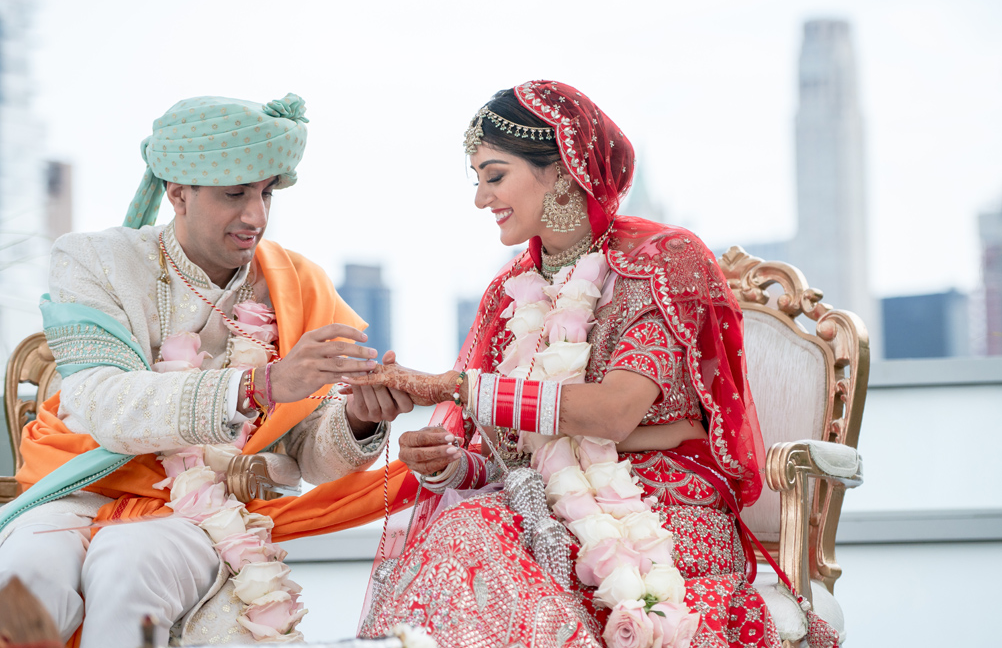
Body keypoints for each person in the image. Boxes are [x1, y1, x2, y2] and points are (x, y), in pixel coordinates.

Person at [353, 81, 788, 647]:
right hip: (540, 504)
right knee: (466, 529)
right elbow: (514, 457)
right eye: (478, 180)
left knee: (474, 536)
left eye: (494, 175)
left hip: (660, 512)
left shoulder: (660, 265)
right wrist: (450, 467)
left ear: (560, 169)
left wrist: (458, 386)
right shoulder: (508, 294)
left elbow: (611, 414)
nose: (481, 200)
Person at [0, 93, 418, 647]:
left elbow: (306, 455)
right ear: (178, 193)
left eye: (267, 193)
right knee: (25, 579)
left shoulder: (297, 285)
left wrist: (361, 422)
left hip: (204, 510)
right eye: (235, 194)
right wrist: (259, 384)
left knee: (126, 566)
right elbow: (102, 402)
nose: (257, 216)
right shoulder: (93, 261)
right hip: (80, 486)